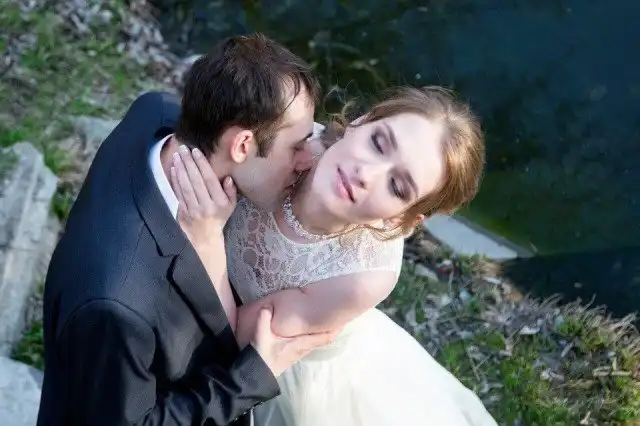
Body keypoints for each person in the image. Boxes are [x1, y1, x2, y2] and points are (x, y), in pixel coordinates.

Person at [36, 34, 338, 426]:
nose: (305, 161)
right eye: (296, 147)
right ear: (242, 146)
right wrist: (251, 377)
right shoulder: (118, 305)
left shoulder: (155, 113)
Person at [171, 86, 499, 425]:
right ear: (359, 123)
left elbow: (234, 338)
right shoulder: (288, 138)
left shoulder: (362, 277)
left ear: (402, 217)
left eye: (397, 186)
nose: (366, 173)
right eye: (378, 143)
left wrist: (207, 237)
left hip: (265, 353)